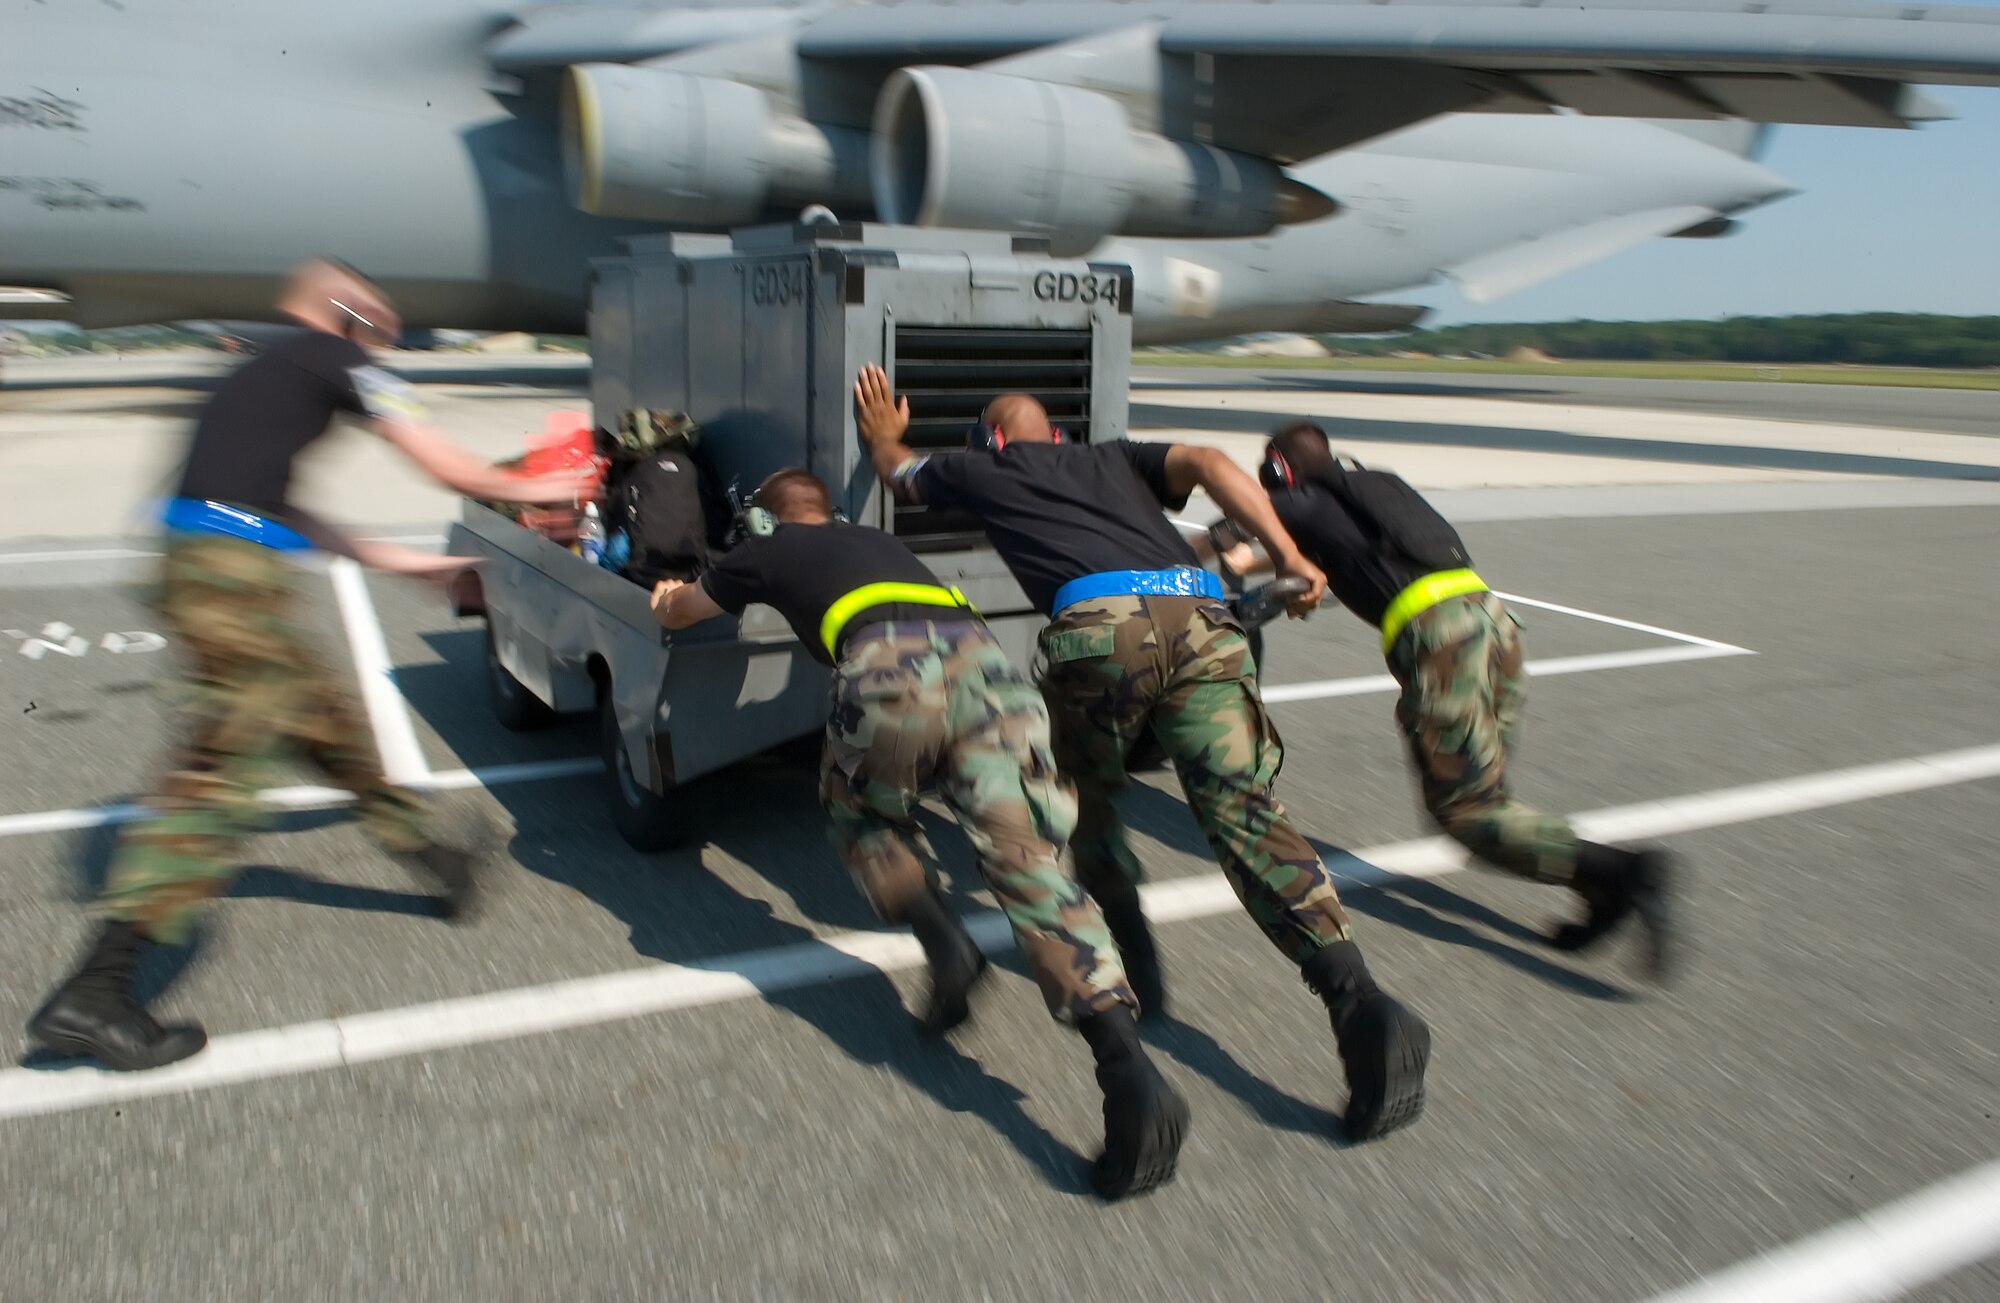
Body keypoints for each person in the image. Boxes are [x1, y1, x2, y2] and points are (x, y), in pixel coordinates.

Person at [25, 258, 595, 1072]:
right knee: (221, 773)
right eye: (382, 324)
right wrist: (551, 479)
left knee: (326, 723)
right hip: (229, 579)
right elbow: (440, 462)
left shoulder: (263, 368)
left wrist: (407, 565)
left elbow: (289, 511)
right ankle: (96, 993)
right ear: (347, 310)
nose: (386, 341)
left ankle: (437, 861)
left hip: (206, 564)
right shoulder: (335, 354)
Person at [853, 367, 1431, 1143]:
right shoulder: (1113, 456)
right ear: (1056, 434)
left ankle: (1131, 984)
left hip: (1102, 626)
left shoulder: (981, 466)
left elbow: (897, 469)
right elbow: (1206, 460)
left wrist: (885, 433)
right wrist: (1287, 552)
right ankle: (1358, 998)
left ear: (991, 439)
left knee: (1081, 809)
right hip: (1203, 619)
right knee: (1245, 814)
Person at [650, 468, 1187, 1199]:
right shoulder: (872, 538)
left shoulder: (762, 551)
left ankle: (945, 939)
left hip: (886, 667)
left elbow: (685, 612)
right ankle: (1126, 1065)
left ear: (768, 522)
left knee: (861, 815)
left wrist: (667, 595)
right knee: (1026, 858)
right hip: (990, 669)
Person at [1221, 422, 1674, 978]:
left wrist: (1205, 553)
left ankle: (1626, 871)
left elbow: (1235, 541)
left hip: (1442, 641)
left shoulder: (1299, 501)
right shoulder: (1369, 493)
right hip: (1492, 621)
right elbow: (1323, 552)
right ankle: (1599, 891)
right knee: (1490, 799)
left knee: (1466, 812)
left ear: (1278, 470)